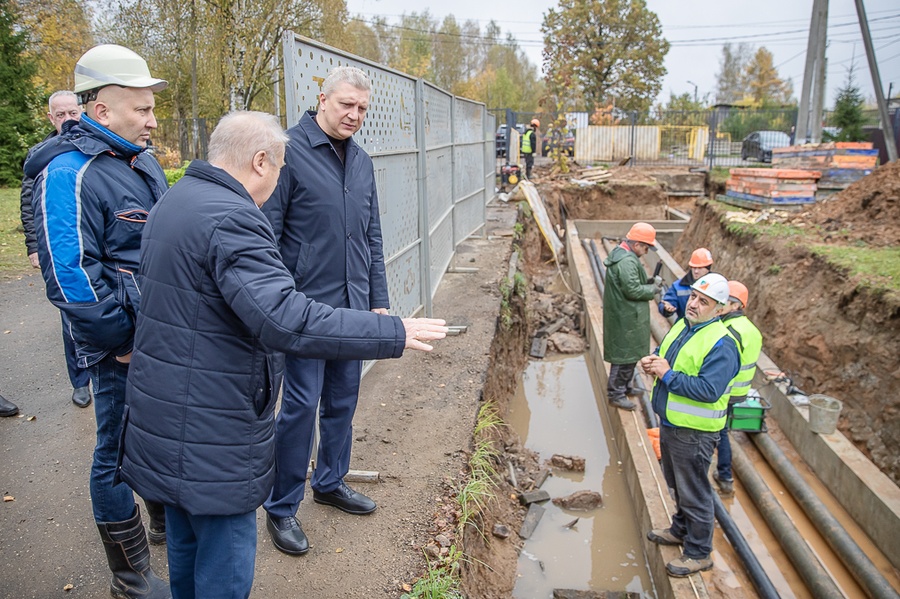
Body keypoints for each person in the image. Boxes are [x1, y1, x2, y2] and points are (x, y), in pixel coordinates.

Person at [118, 110, 447, 598]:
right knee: (225, 569)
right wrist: (391, 332)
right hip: (214, 431)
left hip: (165, 418)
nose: (279, 178)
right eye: (279, 168)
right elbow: (285, 318)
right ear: (260, 161)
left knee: (187, 550)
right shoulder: (233, 219)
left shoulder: (177, 199)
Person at [24, 44, 170, 598]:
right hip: (120, 345)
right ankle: (129, 580)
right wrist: (121, 341)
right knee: (114, 452)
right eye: (142, 109)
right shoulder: (67, 173)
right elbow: (69, 276)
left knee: (152, 434)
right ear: (102, 110)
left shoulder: (141, 160)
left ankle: (161, 525)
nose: (153, 120)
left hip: (155, 337)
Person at [259, 65, 392, 556]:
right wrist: (278, 301)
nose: (354, 115)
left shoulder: (361, 161)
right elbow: (267, 236)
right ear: (322, 99)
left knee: (342, 401)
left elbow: (372, 235)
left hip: (354, 307)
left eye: (362, 108)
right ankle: (282, 506)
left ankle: (331, 482)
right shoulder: (287, 153)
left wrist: (378, 299)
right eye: (346, 106)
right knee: (298, 408)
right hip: (304, 310)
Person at [641, 273, 740, 577]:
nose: (694, 304)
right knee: (678, 485)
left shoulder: (722, 345)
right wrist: (655, 362)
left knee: (695, 492)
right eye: (694, 296)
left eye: (704, 301)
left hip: (695, 433)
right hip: (673, 424)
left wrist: (667, 374)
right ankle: (680, 529)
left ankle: (699, 552)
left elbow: (709, 391)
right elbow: (670, 357)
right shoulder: (685, 325)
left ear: (720, 309)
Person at [20, 90, 92, 409]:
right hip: (62, 247)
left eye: (72, 113)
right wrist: (34, 246)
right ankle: (80, 381)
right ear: (51, 118)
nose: (67, 120)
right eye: (60, 115)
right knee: (72, 317)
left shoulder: (94, 147)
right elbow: (28, 204)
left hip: (91, 240)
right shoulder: (40, 154)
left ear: (82, 112)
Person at [603, 222, 664, 411]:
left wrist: (648, 281)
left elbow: (631, 283)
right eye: (645, 247)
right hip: (625, 316)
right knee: (623, 356)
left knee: (628, 355)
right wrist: (653, 288)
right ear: (636, 244)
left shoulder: (624, 257)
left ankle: (625, 386)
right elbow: (633, 289)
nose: (646, 252)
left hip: (625, 314)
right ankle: (616, 393)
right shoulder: (627, 261)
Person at [713, 281, 763, 495]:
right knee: (723, 431)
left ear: (736, 306)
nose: (720, 306)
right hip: (739, 392)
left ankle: (725, 477)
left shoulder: (728, 330)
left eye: (724, 302)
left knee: (717, 432)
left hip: (725, 391)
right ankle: (724, 476)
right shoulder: (752, 330)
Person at [659, 247, 713, 321]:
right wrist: (666, 309)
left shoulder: (715, 287)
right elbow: (667, 302)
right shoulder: (678, 286)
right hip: (685, 326)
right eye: (694, 268)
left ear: (708, 269)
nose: (696, 271)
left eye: (700, 268)